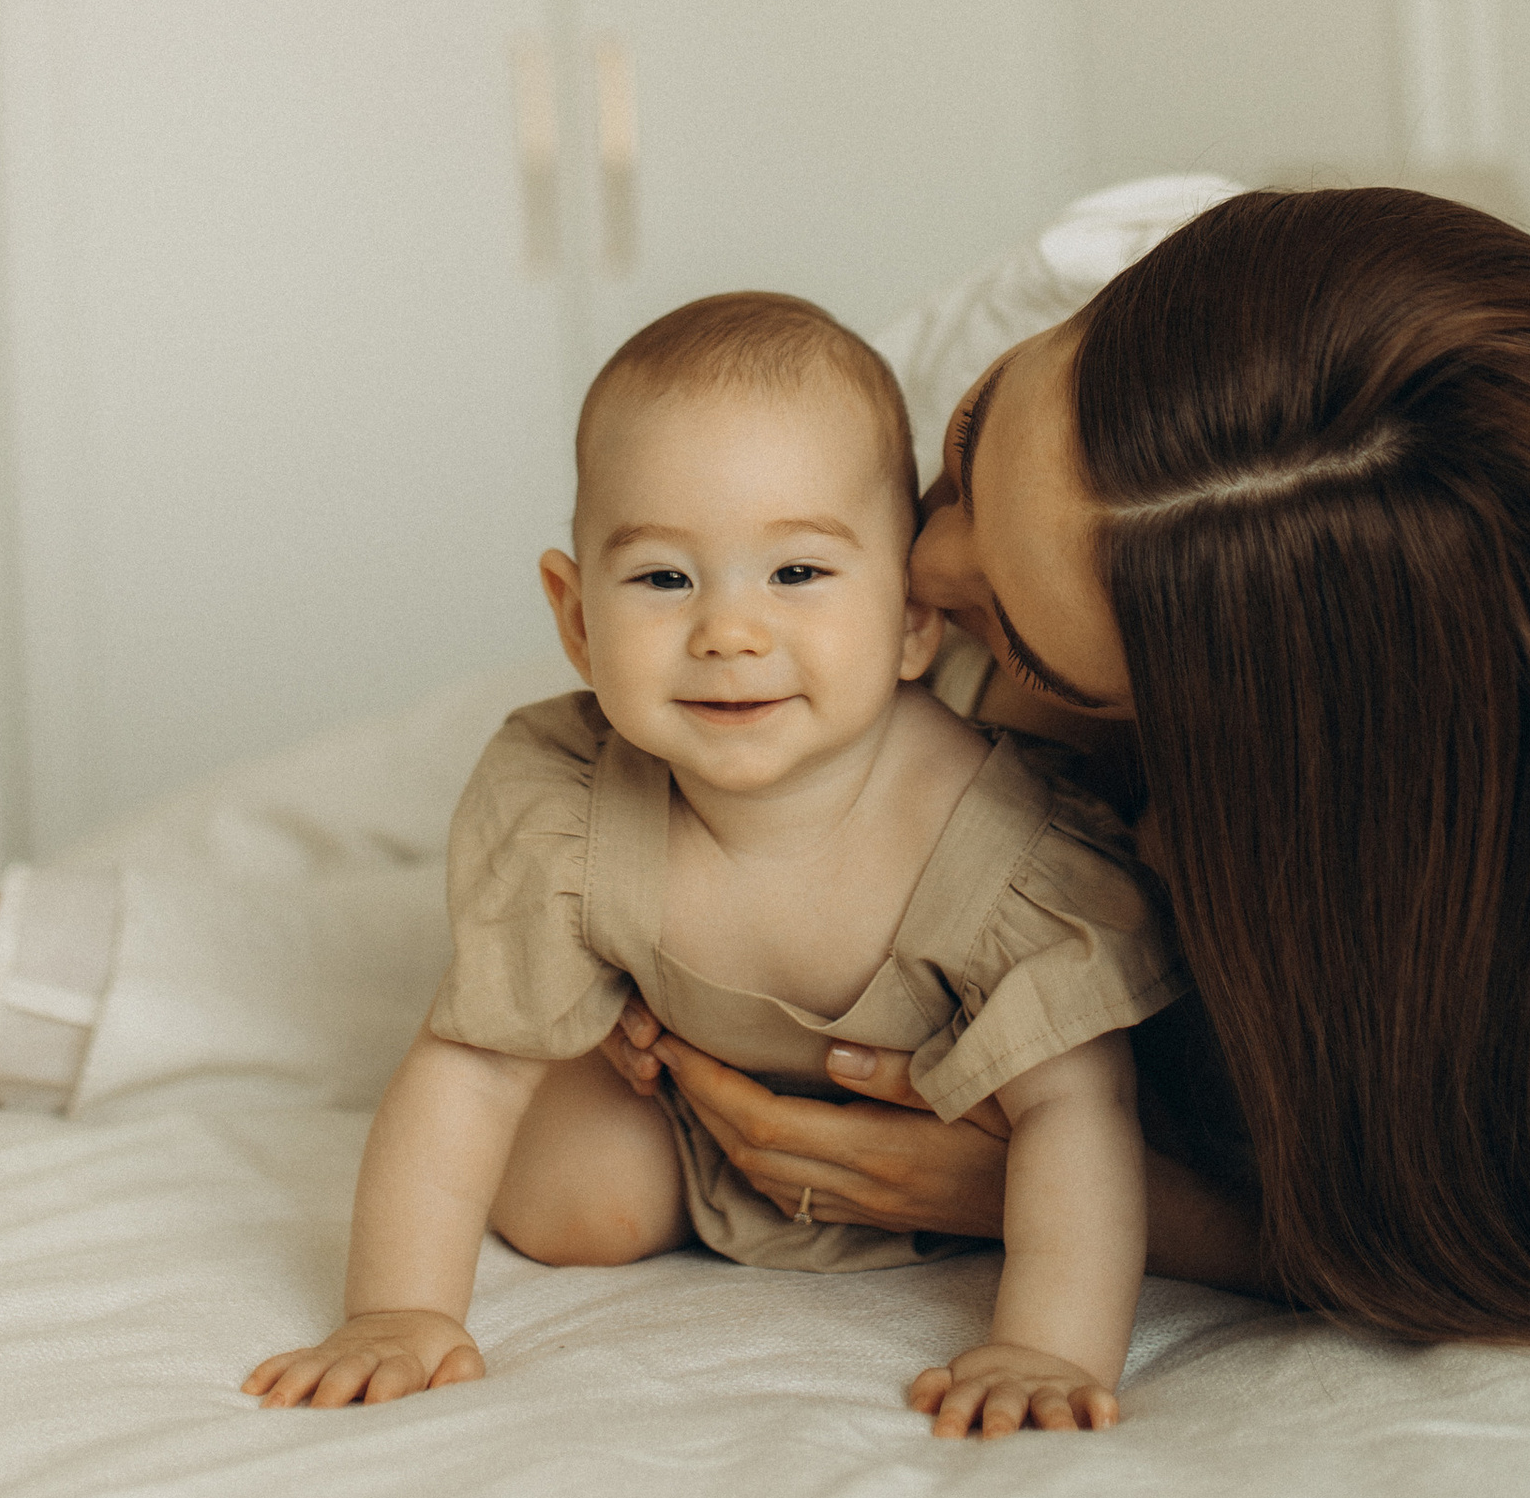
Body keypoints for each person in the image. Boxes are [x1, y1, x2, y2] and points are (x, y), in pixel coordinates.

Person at [618, 189, 1530, 1346]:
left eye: (1012, 632)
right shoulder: (1073, 361)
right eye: (966, 446)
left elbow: (1528, 1233)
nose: (916, 580)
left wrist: (1054, 1193)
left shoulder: (1478, 894)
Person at [240, 292, 1180, 1437]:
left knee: (1073, 1126)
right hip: (691, 1121)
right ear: (576, 620)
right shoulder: (565, 800)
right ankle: (579, 1033)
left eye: (796, 575)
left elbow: (1076, 1109)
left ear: (913, 621)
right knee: (571, 1204)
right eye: (663, 580)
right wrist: (393, 1310)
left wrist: (1041, 1345)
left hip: (948, 1164)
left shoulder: (1007, 846)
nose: (728, 632)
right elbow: (471, 1067)